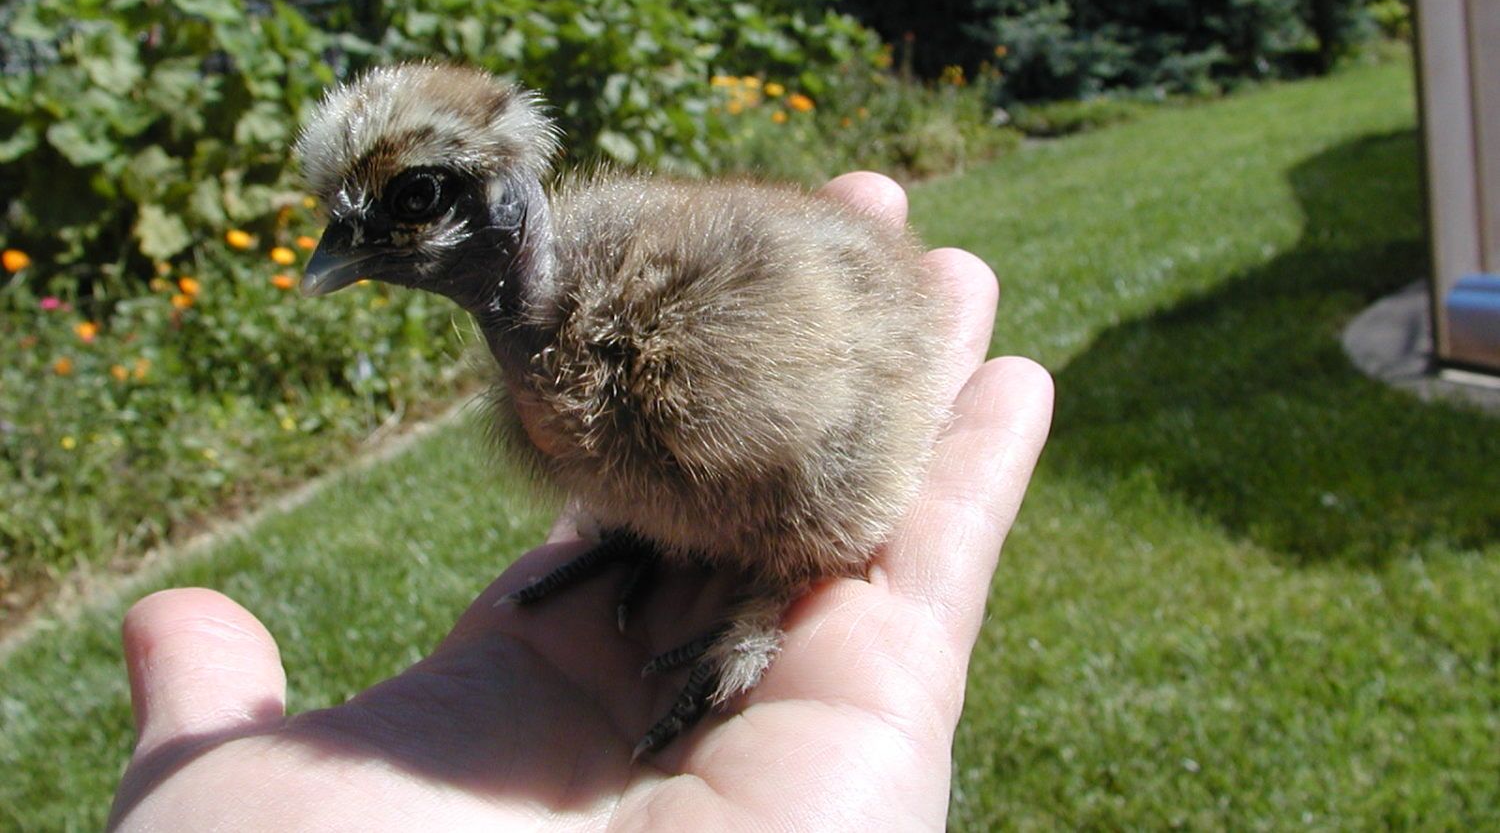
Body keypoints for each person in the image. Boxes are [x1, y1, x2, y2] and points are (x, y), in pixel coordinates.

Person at [106, 173, 1054, 831]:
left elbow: (845, 432)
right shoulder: (548, 368)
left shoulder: (705, 340)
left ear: (501, 196)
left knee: (758, 429)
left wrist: (781, 586)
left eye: (414, 200)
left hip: (809, 414)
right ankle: (671, 541)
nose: (345, 246)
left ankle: (774, 580)